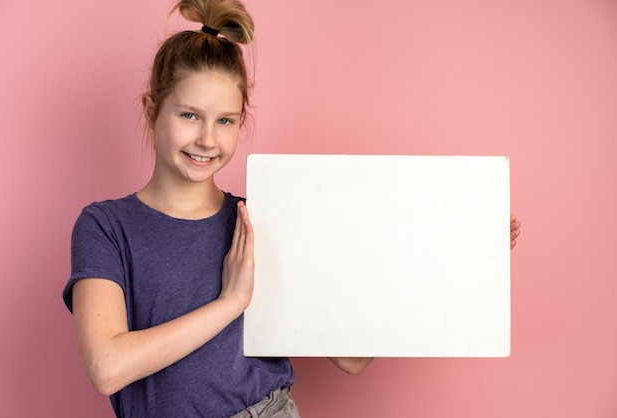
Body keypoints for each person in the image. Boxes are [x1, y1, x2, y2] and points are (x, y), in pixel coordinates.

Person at [62, 0, 521, 417]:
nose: (207, 138)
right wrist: (231, 304)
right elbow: (108, 366)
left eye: (225, 121)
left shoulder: (265, 221)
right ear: (151, 110)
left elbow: (352, 358)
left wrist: (457, 260)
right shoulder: (106, 226)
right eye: (189, 115)